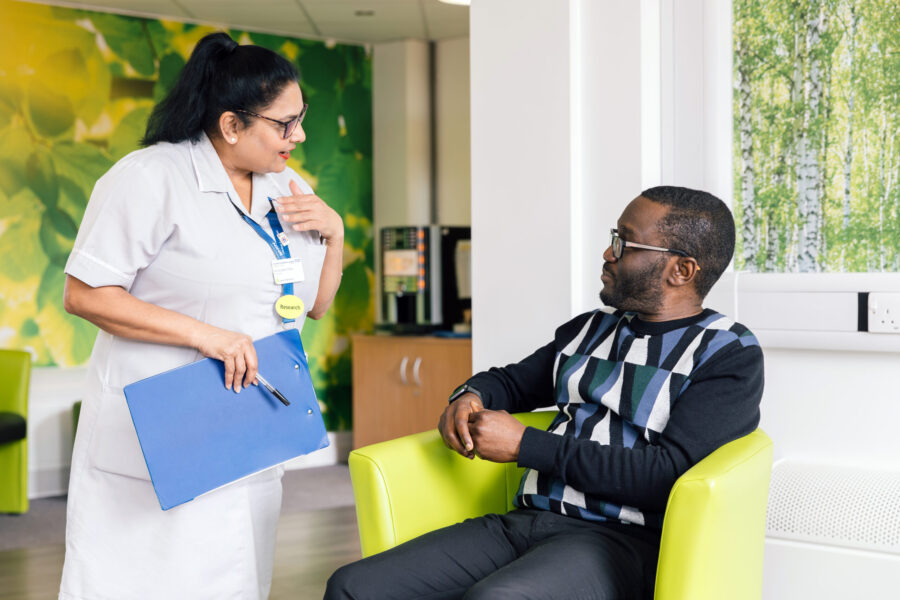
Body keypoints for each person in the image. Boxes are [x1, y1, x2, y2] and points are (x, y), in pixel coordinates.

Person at [326, 186, 763, 600]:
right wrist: (469, 395)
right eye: (614, 238)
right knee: (353, 586)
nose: (609, 254)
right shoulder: (591, 329)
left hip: (621, 542)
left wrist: (525, 445)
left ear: (681, 270)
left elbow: (666, 474)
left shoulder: (727, 353)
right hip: (525, 523)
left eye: (626, 243)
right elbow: (512, 382)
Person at [59, 32, 343, 600]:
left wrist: (335, 234)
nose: (300, 135)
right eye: (284, 124)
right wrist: (207, 336)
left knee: (237, 577)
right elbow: (85, 294)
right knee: (149, 580)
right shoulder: (149, 178)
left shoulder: (288, 186)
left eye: (301, 118)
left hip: (248, 426)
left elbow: (314, 304)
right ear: (231, 124)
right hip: (162, 419)